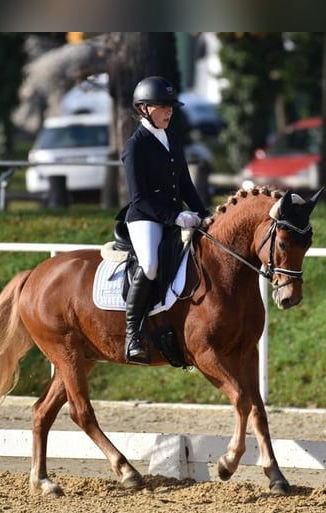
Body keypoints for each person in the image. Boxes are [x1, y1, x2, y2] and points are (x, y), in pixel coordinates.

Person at [120, 75, 210, 363]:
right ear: (144, 108)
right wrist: (175, 216)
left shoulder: (171, 138)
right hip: (145, 218)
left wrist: (205, 215)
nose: (170, 111)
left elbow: (185, 183)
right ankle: (132, 332)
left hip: (176, 216)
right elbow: (140, 198)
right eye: (163, 106)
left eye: (171, 106)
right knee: (150, 264)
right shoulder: (135, 146)